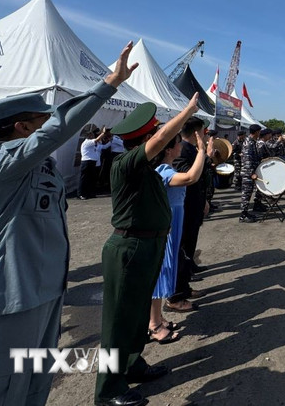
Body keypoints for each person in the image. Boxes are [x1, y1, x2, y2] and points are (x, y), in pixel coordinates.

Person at [0, 41, 137, 406]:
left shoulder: (43, 167)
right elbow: (54, 132)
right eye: (42, 120)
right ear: (23, 127)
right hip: (4, 304)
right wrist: (108, 85)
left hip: (46, 298)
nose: (52, 126)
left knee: (34, 390)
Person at [94, 93, 200, 406]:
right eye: (153, 136)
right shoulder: (125, 164)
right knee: (118, 322)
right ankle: (108, 389)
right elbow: (162, 139)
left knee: (138, 315)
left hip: (149, 245)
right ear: (144, 141)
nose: (160, 140)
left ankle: (133, 364)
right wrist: (187, 112)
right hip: (130, 248)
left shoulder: (149, 170)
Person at [149, 129, 206, 344]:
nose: (181, 146)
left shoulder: (168, 168)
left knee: (166, 269)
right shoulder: (163, 171)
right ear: (169, 150)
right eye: (178, 143)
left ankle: (158, 318)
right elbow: (191, 177)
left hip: (174, 221)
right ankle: (153, 324)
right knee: (161, 272)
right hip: (168, 224)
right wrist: (202, 152)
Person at [165, 117, 210, 312]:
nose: (205, 135)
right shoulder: (183, 149)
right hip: (184, 209)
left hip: (193, 206)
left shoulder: (188, 148)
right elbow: (188, 177)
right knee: (181, 253)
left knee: (188, 251)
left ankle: (184, 288)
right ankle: (176, 296)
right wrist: (204, 153)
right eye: (203, 131)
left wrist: (204, 200)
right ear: (196, 133)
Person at [79, 126, 111, 199]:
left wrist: (108, 139)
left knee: (92, 178)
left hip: (92, 162)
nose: (93, 136)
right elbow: (97, 140)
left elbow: (101, 145)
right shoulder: (87, 142)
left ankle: (90, 193)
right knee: (84, 178)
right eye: (92, 135)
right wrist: (103, 133)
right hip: (86, 162)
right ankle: (81, 193)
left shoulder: (92, 144)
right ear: (89, 136)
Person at [238, 124, 262, 223]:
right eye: (259, 131)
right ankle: (243, 215)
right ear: (256, 132)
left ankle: (245, 212)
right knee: (246, 194)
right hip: (248, 173)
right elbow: (247, 159)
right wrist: (251, 173)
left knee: (248, 194)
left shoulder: (252, 141)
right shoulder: (248, 143)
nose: (260, 133)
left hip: (250, 172)